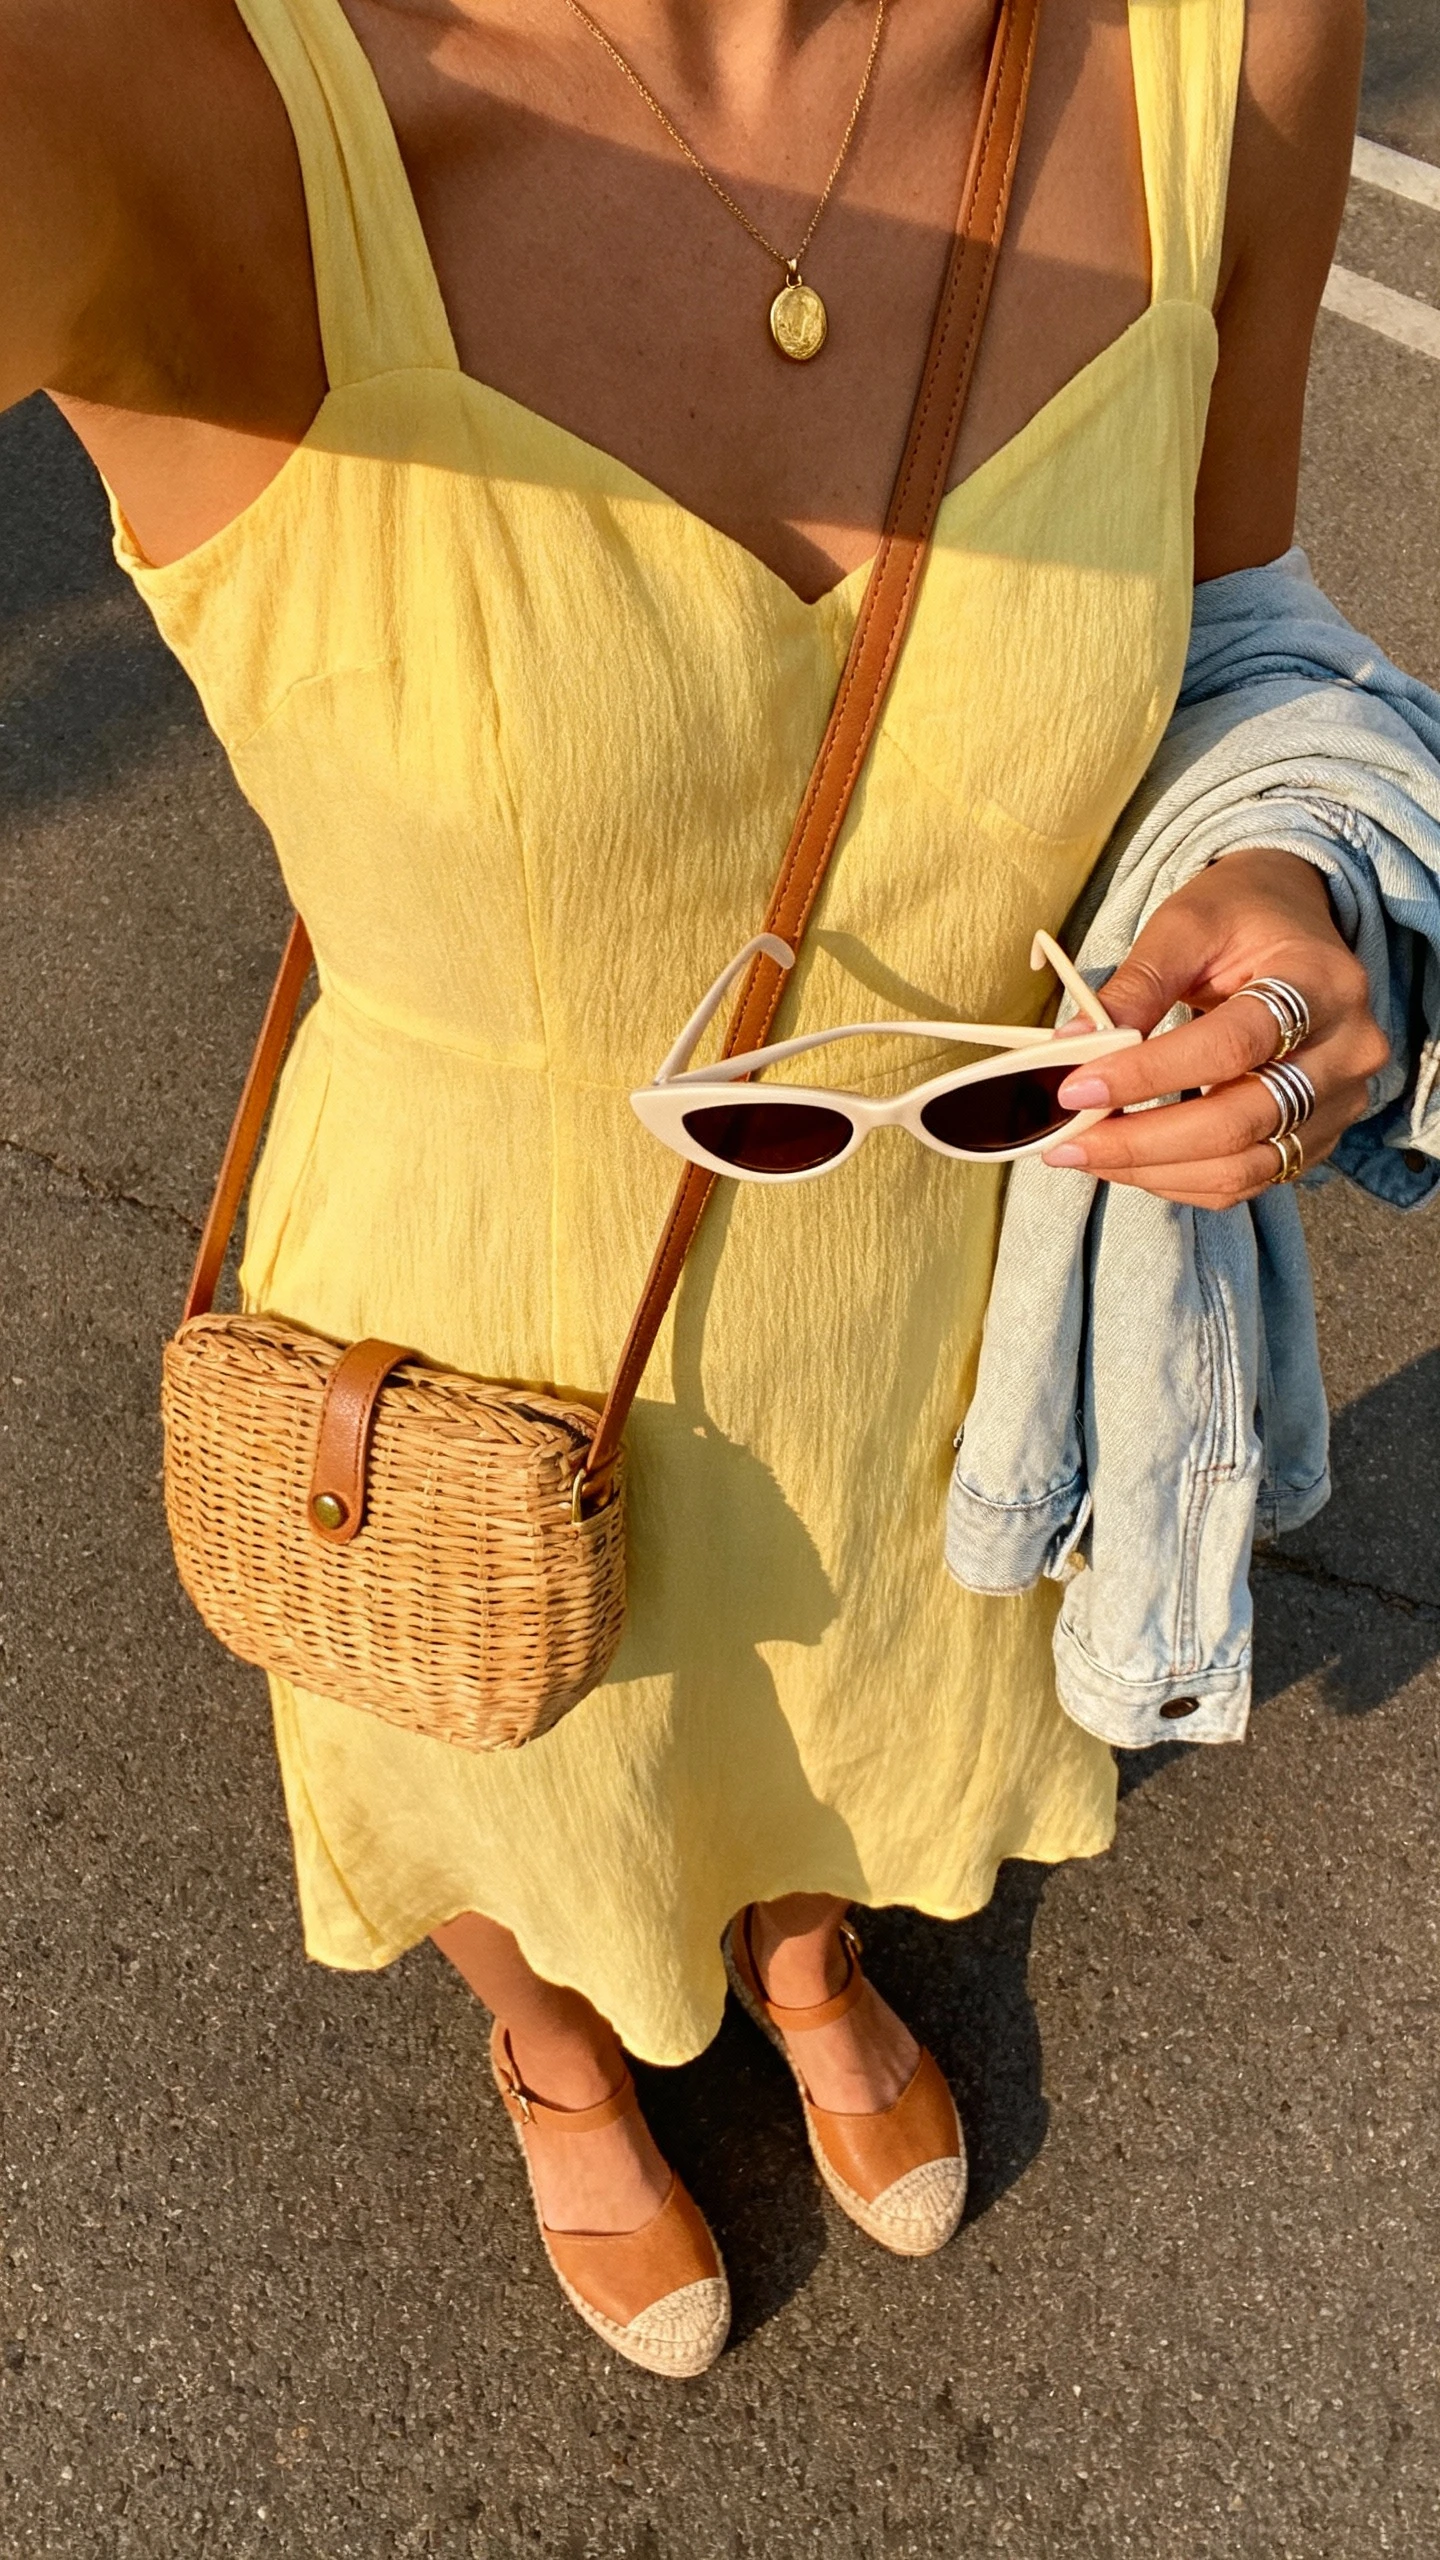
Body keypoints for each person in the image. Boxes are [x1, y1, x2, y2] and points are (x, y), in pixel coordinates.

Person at [1, 0, 1387, 2374]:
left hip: (945, 1337)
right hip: (460, 1362)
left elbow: (1235, 619)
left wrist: (1295, 864)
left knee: (856, 1738)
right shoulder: (172, 84)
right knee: (501, 1766)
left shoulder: (1228, 39)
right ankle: (557, 2051)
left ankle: (807, 1955)